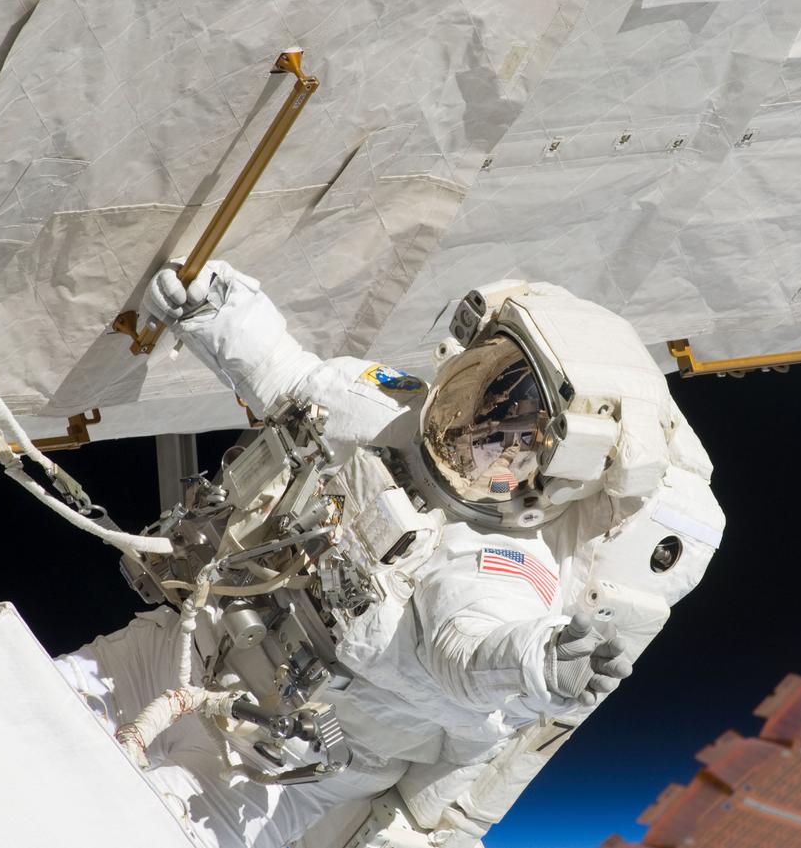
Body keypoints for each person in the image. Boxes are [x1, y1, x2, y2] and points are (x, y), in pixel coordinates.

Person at [54, 261, 725, 848]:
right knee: (49, 697)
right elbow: (290, 378)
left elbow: (471, 652)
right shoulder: (388, 411)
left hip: (288, 761)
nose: (478, 427)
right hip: (200, 646)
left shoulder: (507, 564)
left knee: (139, 821)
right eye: (488, 383)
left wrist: (543, 658)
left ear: (557, 473)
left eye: (515, 436)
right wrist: (216, 307)